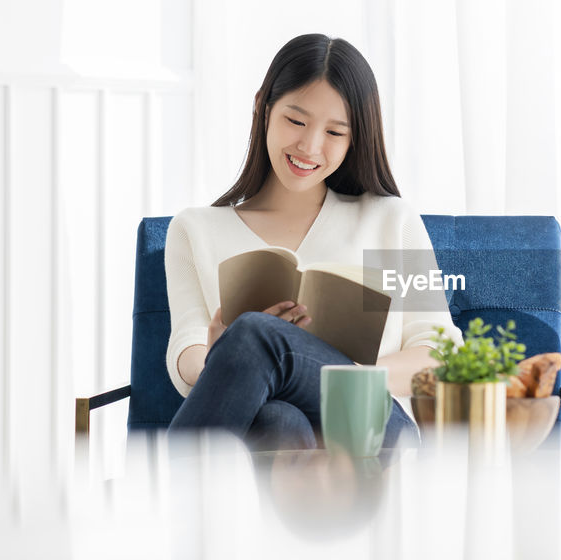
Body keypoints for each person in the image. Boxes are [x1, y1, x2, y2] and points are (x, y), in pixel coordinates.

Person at [163, 33, 462, 452]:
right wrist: (223, 353)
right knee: (278, 417)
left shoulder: (390, 219)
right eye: (296, 121)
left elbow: (440, 352)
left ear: (355, 139)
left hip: (373, 426)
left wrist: (349, 373)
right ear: (262, 107)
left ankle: (168, 500)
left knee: (254, 334)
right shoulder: (196, 229)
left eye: (335, 132)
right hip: (264, 428)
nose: (310, 146)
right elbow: (186, 350)